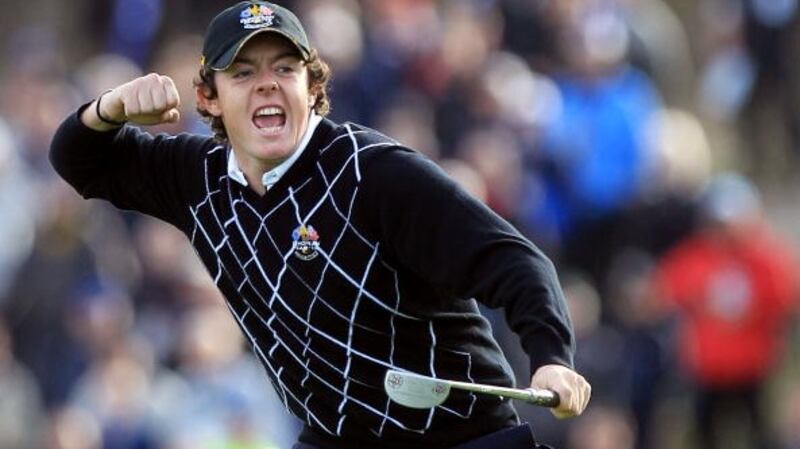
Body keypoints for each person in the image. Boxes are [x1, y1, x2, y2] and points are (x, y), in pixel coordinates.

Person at [49, 2, 590, 448]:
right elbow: (78, 159)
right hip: (334, 436)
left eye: (285, 69)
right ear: (208, 97)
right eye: (243, 73)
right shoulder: (197, 176)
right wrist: (109, 108)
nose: (267, 85)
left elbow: (512, 260)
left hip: (460, 435)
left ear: (312, 86)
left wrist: (550, 359)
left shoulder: (374, 172)